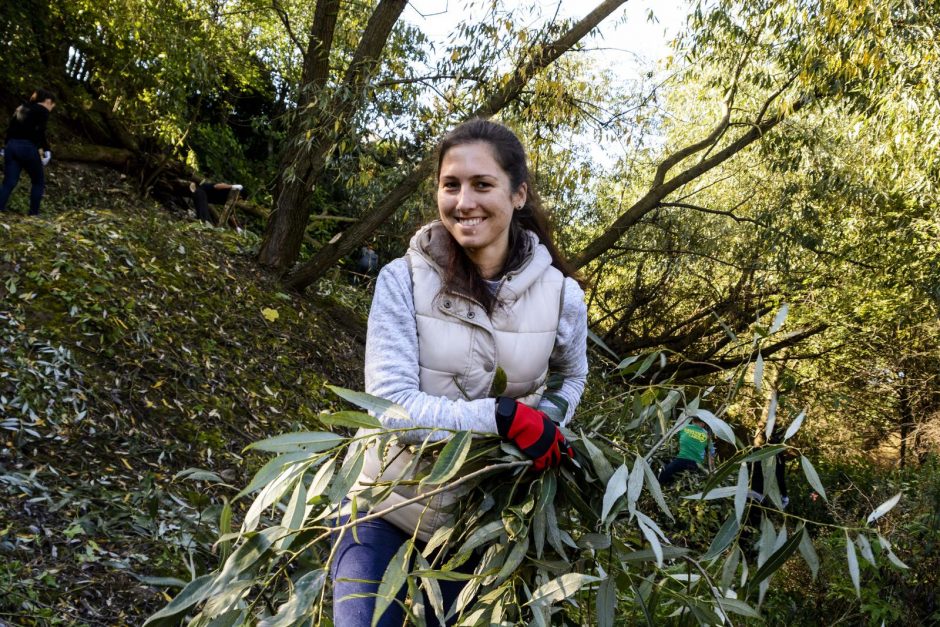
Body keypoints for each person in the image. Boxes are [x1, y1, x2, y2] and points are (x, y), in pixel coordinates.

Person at [330, 119, 589, 627]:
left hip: (481, 526)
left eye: (482, 184)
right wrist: (504, 417)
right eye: (451, 185)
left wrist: (547, 423)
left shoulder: (563, 296)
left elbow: (570, 377)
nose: (464, 201)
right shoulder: (401, 279)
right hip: (384, 508)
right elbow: (392, 407)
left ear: (518, 194)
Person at [0, 89, 56, 216]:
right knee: (38, 181)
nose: (51, 109)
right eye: (52, 105)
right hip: (26, 148)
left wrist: (5, 146)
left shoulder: (21, 107)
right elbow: (39, 132)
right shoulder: (42, 111)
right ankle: (33, 214)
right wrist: (46, 150)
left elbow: (10, 128)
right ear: (48, 101)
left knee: (9, 181)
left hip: (11, 146)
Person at [658, 417, 716, 486]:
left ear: (692, 420)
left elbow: (677, 438)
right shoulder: (707, 435)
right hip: (696, 464)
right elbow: (711, 453)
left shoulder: (684, 427)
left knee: (666, 470)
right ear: (703, 424)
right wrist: (712, 468)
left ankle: (660, 485)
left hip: (682, 459)